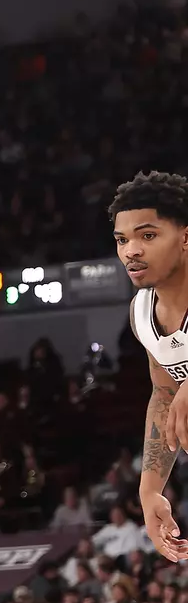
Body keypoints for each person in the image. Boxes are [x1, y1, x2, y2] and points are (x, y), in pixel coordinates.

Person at [117, 173, 188, 561]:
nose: (131, 251)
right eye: (122, 240)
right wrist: (149, 492)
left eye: (147, 236)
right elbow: (164, 393)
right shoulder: (141, 314)